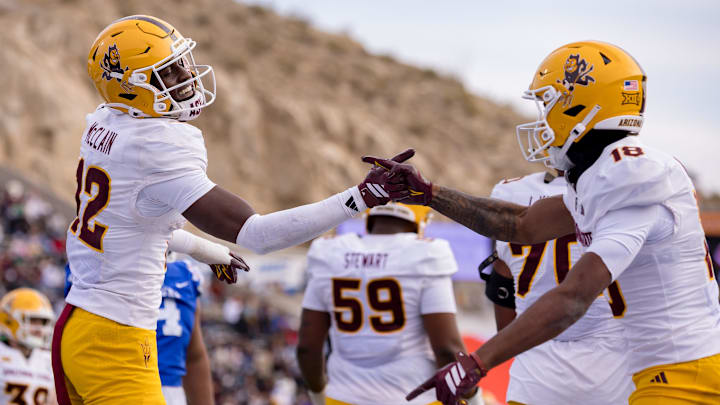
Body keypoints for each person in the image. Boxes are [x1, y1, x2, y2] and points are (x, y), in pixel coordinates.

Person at [55, 14, 407, 405]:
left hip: (81, 322)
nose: (187, 79)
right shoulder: (155, 147)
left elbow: (135, 223)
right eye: (168, 74)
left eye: (181, 65)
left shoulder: (106, 121)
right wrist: (360, 197)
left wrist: (207, 251)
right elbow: (259, 234)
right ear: (131, 89)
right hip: (113, 339)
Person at [365, 41, 720, 405]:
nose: (543, 118)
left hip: (687, 374)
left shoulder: (633, 176)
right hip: (660, 372)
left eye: (548, 103)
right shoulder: (603, 176)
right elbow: (520, 224)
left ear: (581, 105)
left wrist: (476, 362)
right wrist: (430, 193)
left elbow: (573, 297)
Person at [297, 202, 484, 405]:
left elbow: (307, 347)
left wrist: (318, 397)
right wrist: (474, 399)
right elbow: (447, 349)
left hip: (343, 396)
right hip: (414, 396)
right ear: (418, 219)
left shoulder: (330, 252)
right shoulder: (428, 253)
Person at [482, 170, 632, 405]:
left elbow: (504, 305)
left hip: (534, 375)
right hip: (612, 372)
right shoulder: (626, 188)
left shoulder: (510, 191)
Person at [0, 288, 57, 405]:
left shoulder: (48, 359)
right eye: (33, 321)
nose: (39, 329)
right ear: (9, 320)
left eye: (43, 322)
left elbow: (53, 401)